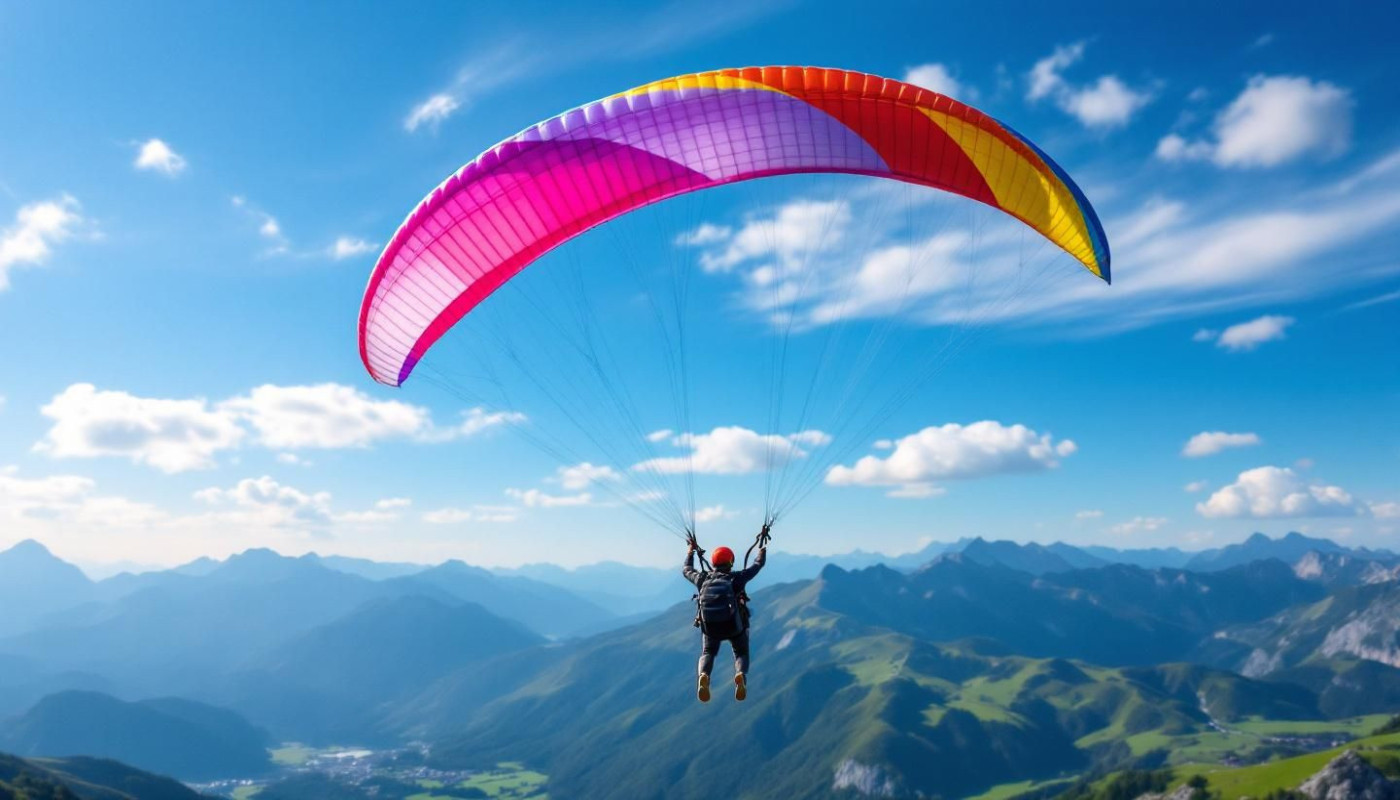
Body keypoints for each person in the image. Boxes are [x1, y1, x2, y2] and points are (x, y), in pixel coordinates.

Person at [683, 536, 766, 703]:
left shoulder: (702, 579)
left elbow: (686, 569)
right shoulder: (737, 578)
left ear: (713, 563)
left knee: (708, 652)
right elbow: (758, 565)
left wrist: (690, 552)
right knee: (741, 652)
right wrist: (762, 549)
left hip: (710, 627)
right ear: (730, 562)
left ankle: (704, 675)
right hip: (733, 625)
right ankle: (740, 675)